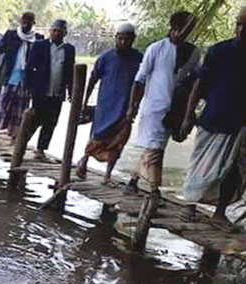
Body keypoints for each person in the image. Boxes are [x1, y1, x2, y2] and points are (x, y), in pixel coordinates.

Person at [179, 7, 246, 231]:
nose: (241, 30)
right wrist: (188, 115)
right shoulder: (219, 51)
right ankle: (189, 204)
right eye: (238, 24)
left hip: (240, 123)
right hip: (213, 117)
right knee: (201, 164)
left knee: (232, 171)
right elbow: (199, 85)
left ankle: (219, 214)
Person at [124, 11, 201, 195]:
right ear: (174, 29)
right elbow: (140, 79)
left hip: (175, 109)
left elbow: (197, 79)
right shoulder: (156, 49)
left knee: (157, 147)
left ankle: (133, 180)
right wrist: (132, 106)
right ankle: (154, 189)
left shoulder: (193, 52)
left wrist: (189, 111)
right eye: (183, 29)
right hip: (154, 106)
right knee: (155, 148)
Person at [75, 23, 143, 183]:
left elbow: (142, 84)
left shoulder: (139, 59)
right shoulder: (106, 58)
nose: (123, 42)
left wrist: (135, 106)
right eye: (120, 39)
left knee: (118, 142)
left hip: (126, 108)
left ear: (133, 40)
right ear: (116, 39)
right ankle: (84, 159)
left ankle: (107, 174)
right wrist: (85, 102)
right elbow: (93, 79)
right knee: (97, 137)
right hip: (105, 107)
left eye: (127, 39)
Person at [23, 19, 76, 161]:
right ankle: (21, 145)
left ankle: (40, 150)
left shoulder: (69, 50)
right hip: (40, 90)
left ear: (65, 33)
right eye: (54, 30)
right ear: (50, 31)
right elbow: (29, 67)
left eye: (60, 31)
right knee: (35, 119)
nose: (57, 33)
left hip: (57, 92)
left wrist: (71, 92)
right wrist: (27, 87)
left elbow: (70, 73)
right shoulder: (40, 46)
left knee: (51, 122)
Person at [0, 12, 43, 141]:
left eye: (29, 21)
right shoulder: (11, 35)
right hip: (10, 76)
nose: (25, 23)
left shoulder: (38, 38)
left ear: (33, 23)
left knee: (20, 110)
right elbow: (0, 49)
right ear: (20, 21)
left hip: (25, 79)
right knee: (2, 106)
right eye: (24, 20)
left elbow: (41, 61)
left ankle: (15, 136)